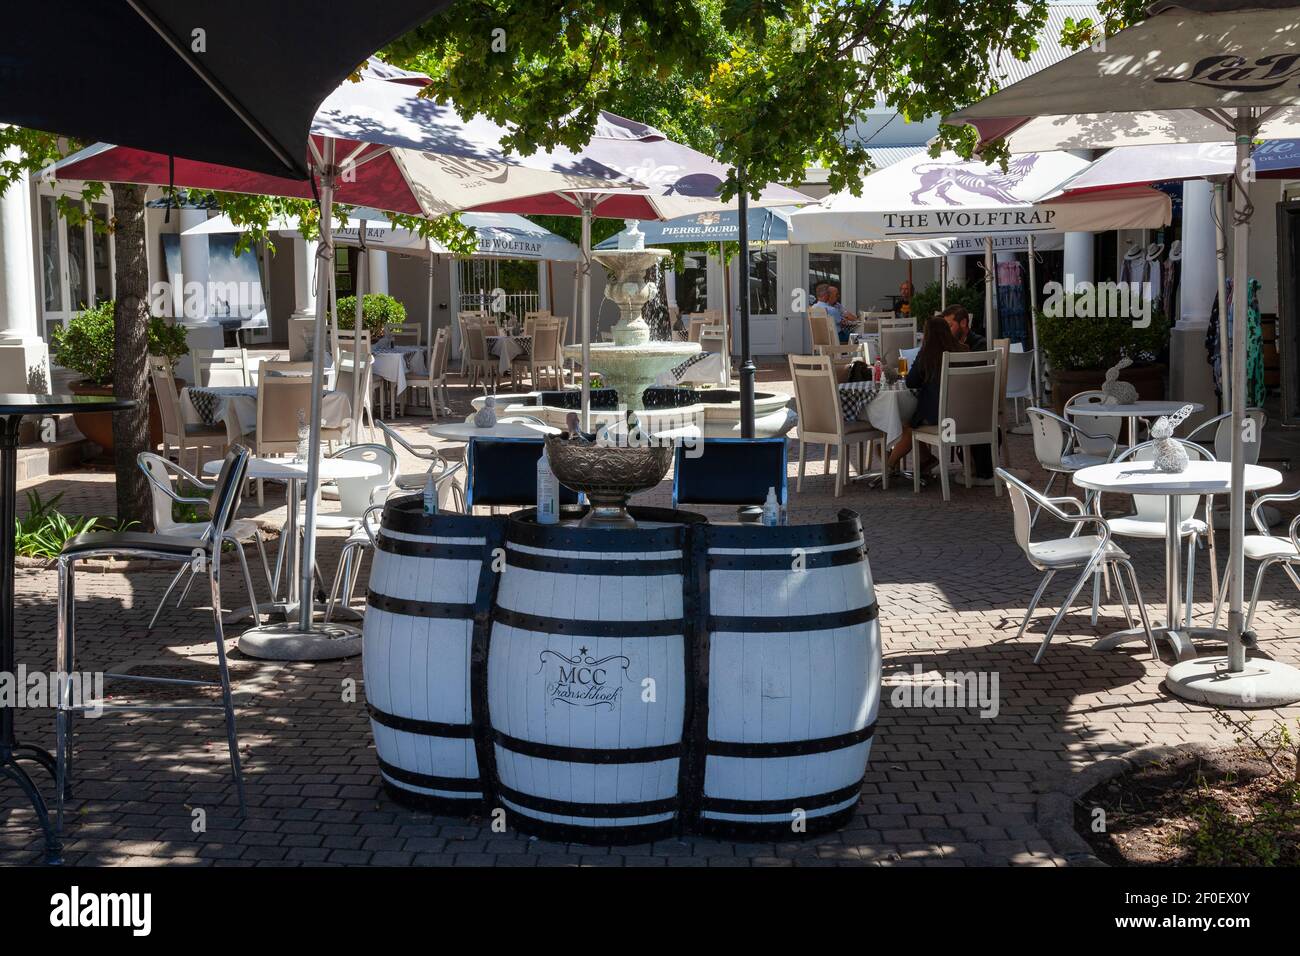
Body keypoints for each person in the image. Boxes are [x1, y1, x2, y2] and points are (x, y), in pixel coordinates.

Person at [886, 317, 967, 475]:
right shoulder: (963, 350)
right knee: (914, 420)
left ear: (927, 335)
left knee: (910, 425)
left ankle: (889, 465)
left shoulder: (927, 354)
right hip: (966, 415)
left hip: (942, 419)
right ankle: (925, 459)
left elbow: (911, 382)